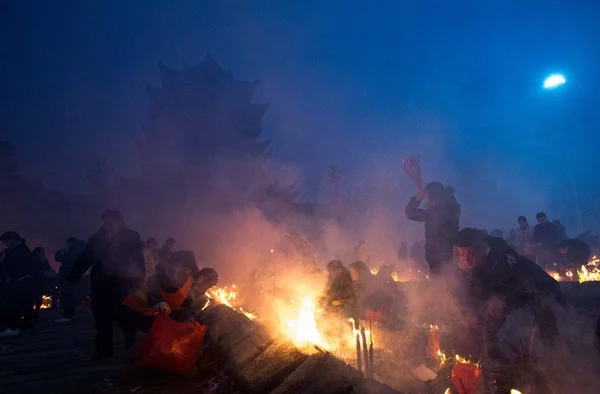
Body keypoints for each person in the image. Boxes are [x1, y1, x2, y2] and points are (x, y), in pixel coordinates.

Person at [454, 228, 565, 353]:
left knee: (543, 309)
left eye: (471, 254)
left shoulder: (503, 256)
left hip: (535, 285)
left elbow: (524, 280)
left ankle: (552, 353)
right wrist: (470, 314)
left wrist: (501, 296)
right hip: (506, 290)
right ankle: (489, 353)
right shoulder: (466, 265)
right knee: (483, 322)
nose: (466, 260)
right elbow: (473, 291)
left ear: (483, 248)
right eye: (462, 255)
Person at [66, 210, 145, 359]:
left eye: (111, 222)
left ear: (119, 221)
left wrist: (139, 279)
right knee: (101, 316)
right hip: (101, 282)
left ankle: (130, 334)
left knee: (124, 313)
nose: (108, 225)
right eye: (106, 222)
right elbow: (85, 258)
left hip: (123, 281)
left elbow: (137, 259)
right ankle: (104, 350)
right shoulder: (96, 239)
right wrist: (72, 277)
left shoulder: (132, 236)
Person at [405, 181, 460, 274]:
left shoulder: (435, 213)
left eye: (428, 197)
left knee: (440, 282)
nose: (427, 200)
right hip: (448, 253)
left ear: (433, 196)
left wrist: (418, 199)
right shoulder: (451, 209)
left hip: (437, 255)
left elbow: (410, 213)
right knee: (448, 280)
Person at [0, 232, 35, 336]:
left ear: (13, 239)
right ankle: (23, 325)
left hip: (18, 282)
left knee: (13, 305)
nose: (5, 243)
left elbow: (16, 267)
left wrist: (12, 278)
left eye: (7, 241)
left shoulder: (19, 250)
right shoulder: (20, 249)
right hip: (20, 281)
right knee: (22, 305)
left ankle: (13, 327)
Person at [54, 237, 86, 322]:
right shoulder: (77, 253)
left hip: (67, 276)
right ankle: (71, 314)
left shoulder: (69, 253)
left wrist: (59, 252)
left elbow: (58, 259)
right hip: (72, 276)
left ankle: (67, 315)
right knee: (70, 296)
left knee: (67, 296)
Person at [31, 247, 55, 319]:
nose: (42, 253)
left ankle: (36, 312)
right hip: (35, 281)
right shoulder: (35, 260)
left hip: (42, 282)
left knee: (39, 297)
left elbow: (48, 268)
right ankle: (32, 312)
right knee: (34, 297)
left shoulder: (44, 260)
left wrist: (52, 272)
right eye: (41, 252)